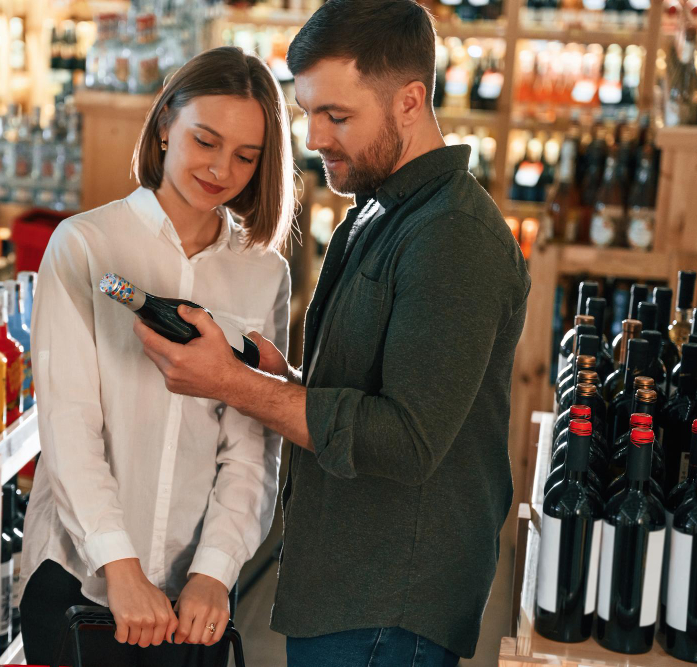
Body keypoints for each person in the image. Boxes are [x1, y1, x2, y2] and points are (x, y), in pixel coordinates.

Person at [132, 1, 531, 666]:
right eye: (309, 111)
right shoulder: (382, 209)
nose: (314, 136)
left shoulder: (452, 237)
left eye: (337, 116)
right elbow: (379, 389)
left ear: (409, 102)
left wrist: (232, 384)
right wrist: (279, 380)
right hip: (352, 591)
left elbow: (405, 438)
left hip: (388, 605)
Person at [18, 46, 295, 666]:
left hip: (195, 601)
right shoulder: (85, 245)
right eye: (206, 140)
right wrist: (119, 567)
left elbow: (252, 447)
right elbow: (68, 424)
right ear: (166, 122)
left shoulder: (264, 273)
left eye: (246, 156)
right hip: (79, 577)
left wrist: (214, 571)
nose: (221, 168)